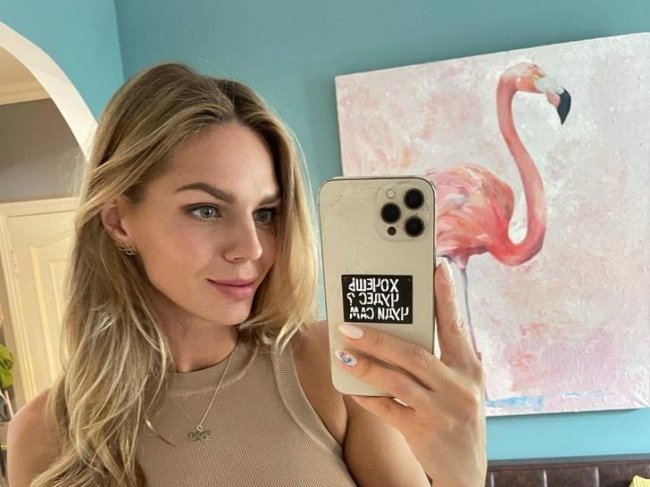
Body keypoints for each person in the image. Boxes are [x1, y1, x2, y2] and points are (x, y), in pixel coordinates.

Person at [6, 62, 487, 486]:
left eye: (265, 213)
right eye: (206, 210)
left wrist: (460, 476)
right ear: (118, 220)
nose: (252, 248)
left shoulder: (329, 367)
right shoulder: (45, 434)